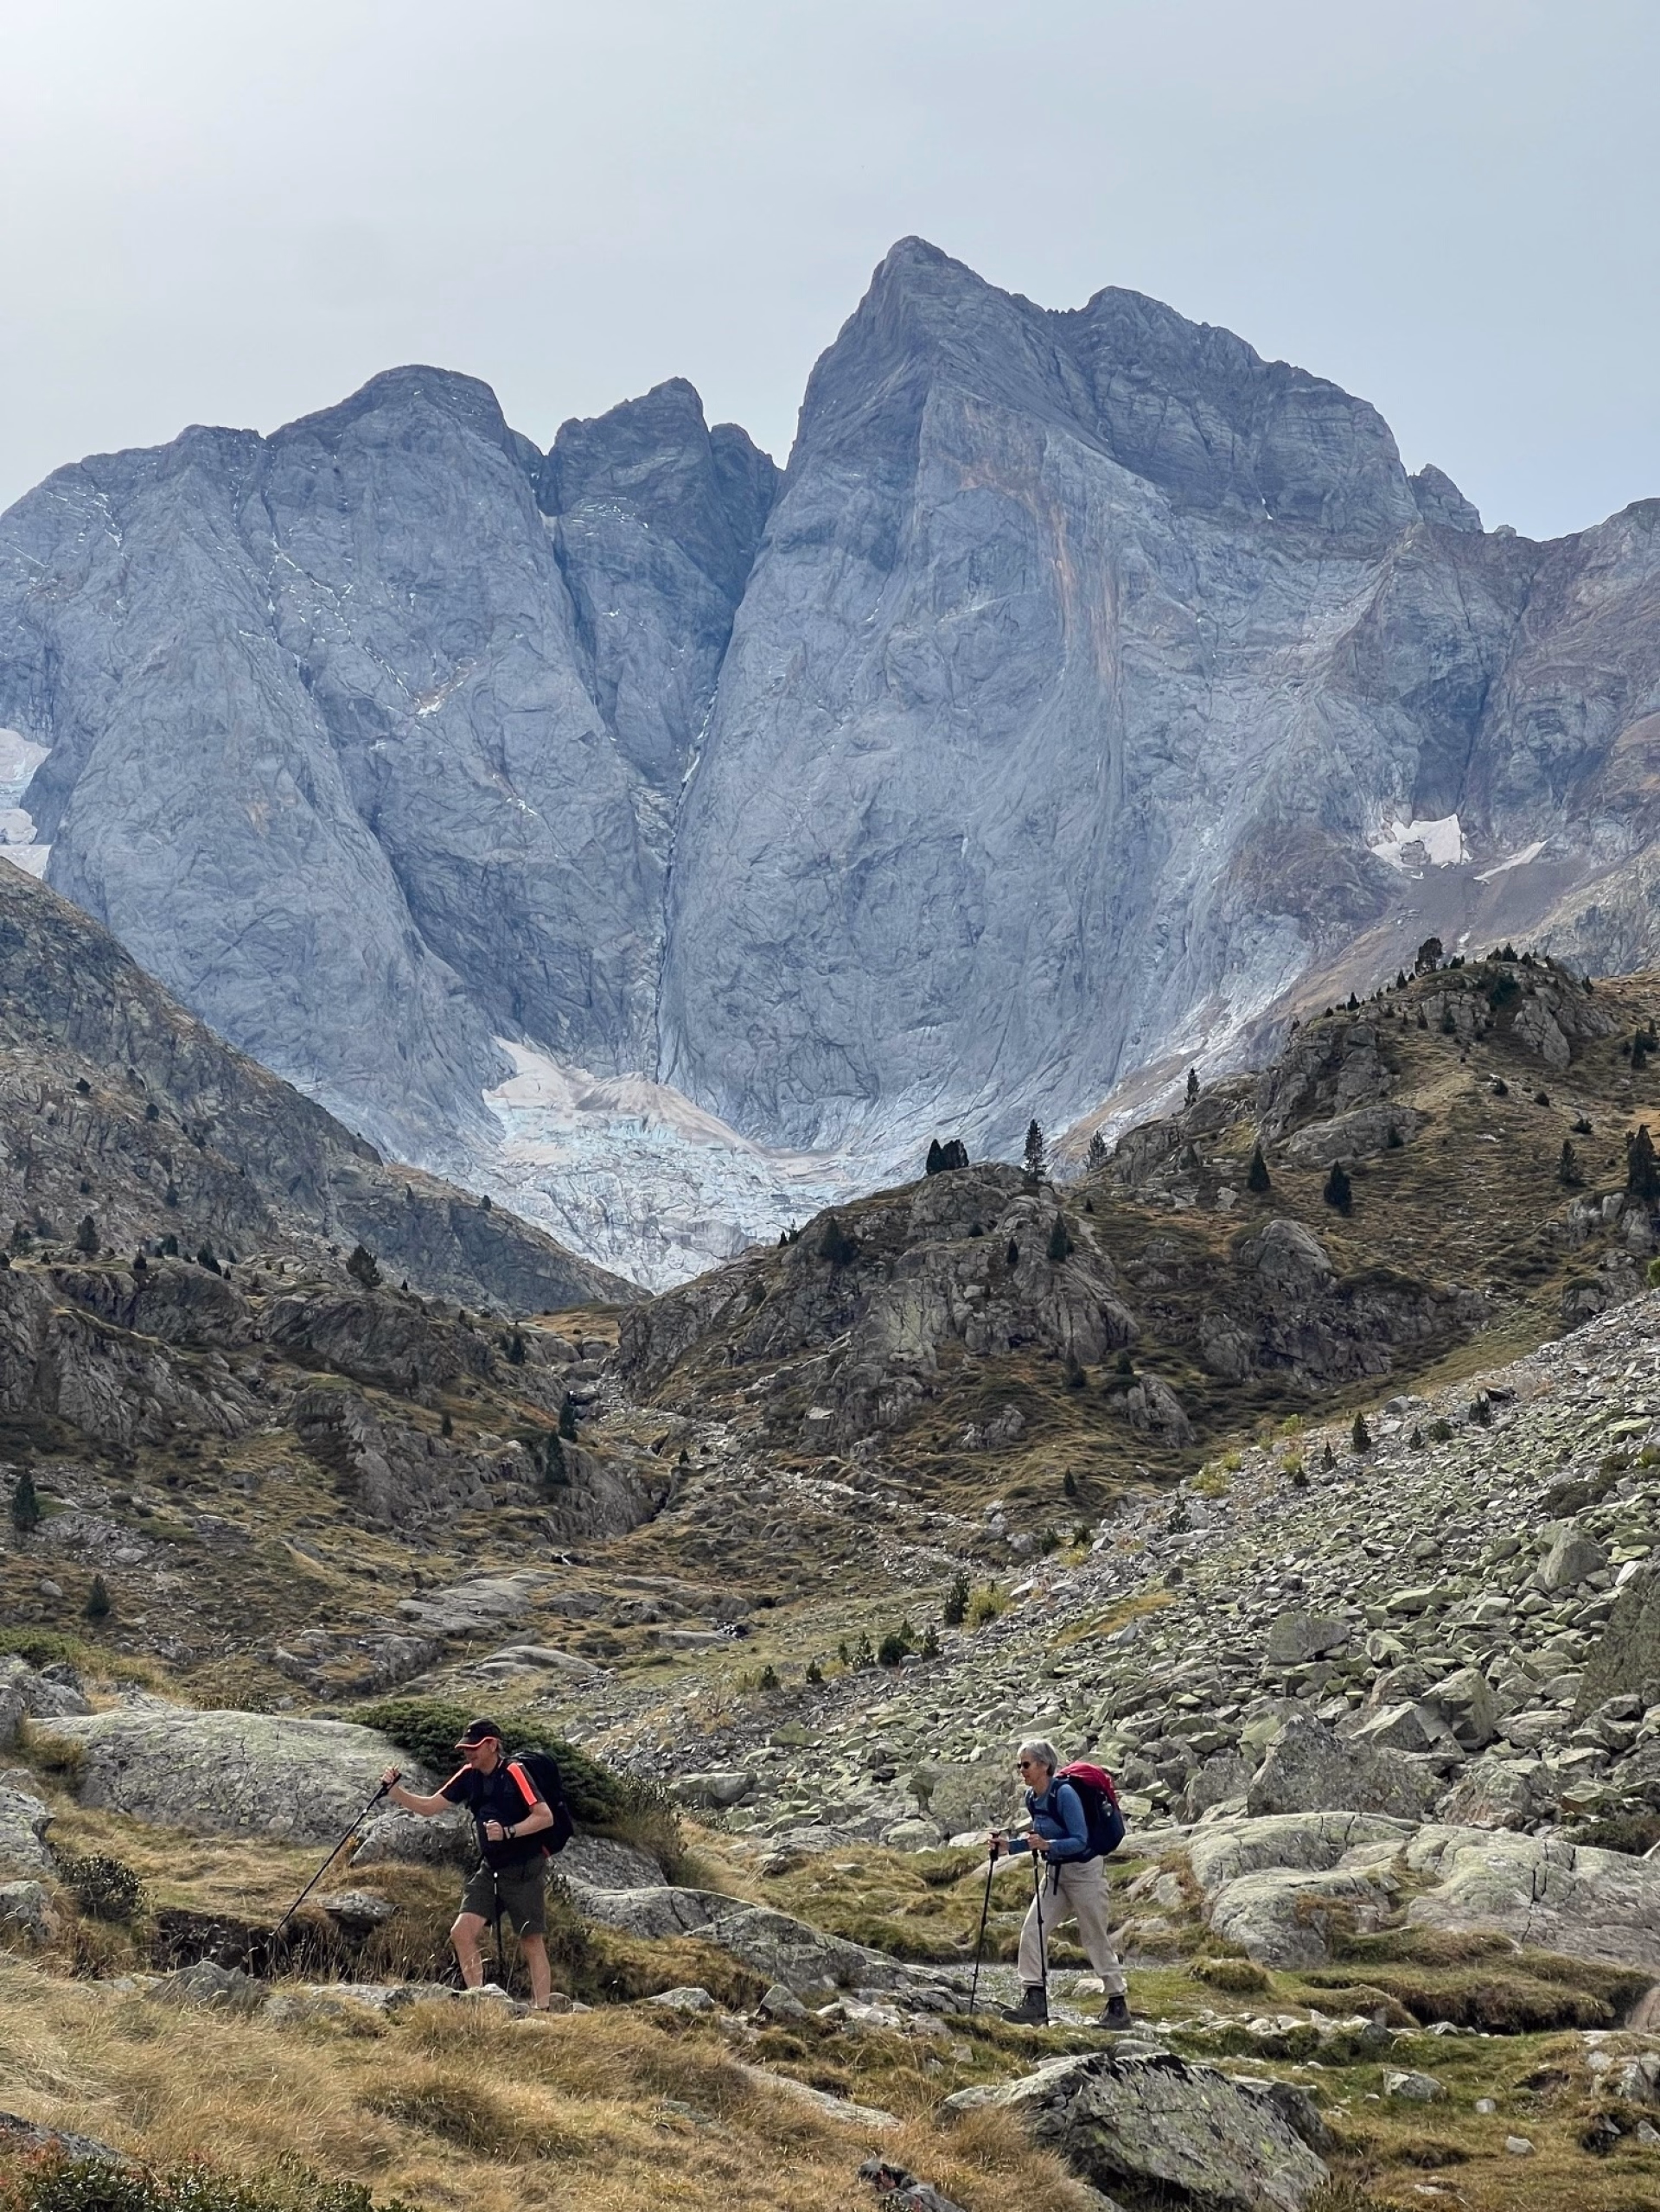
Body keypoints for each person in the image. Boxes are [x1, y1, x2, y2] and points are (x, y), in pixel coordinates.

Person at [382, 1718, 559, 2009]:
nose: (468, 1752)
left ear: (492, 1745)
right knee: (461, 1932)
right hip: (491, 1868)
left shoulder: (514, 1771)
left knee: (530, 1939)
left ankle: (543, 2009)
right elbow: (429, 1807)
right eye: (466, 1747)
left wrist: (508, 1832)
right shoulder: (469, 1775)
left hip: (524, 1867)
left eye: (474, 1747)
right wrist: (396, 1792)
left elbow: (545, 1816)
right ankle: (479, 2000)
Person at [991, 1737, 1132, 2029]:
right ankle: (1035, 1999)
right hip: (1055, 1874)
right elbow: (1039, 1838)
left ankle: (1118, 2004)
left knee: (1093, 1936)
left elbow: (1080, 1839)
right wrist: (1008, 1847)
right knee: (1032, 1929)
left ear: (1044, 1765)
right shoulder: (1032, 1798)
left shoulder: (1064, 1794)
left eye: (1026, 1765)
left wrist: (1048, 1845)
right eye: (1019, 1765)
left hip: (1084, 1873)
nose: (1021, 1771)